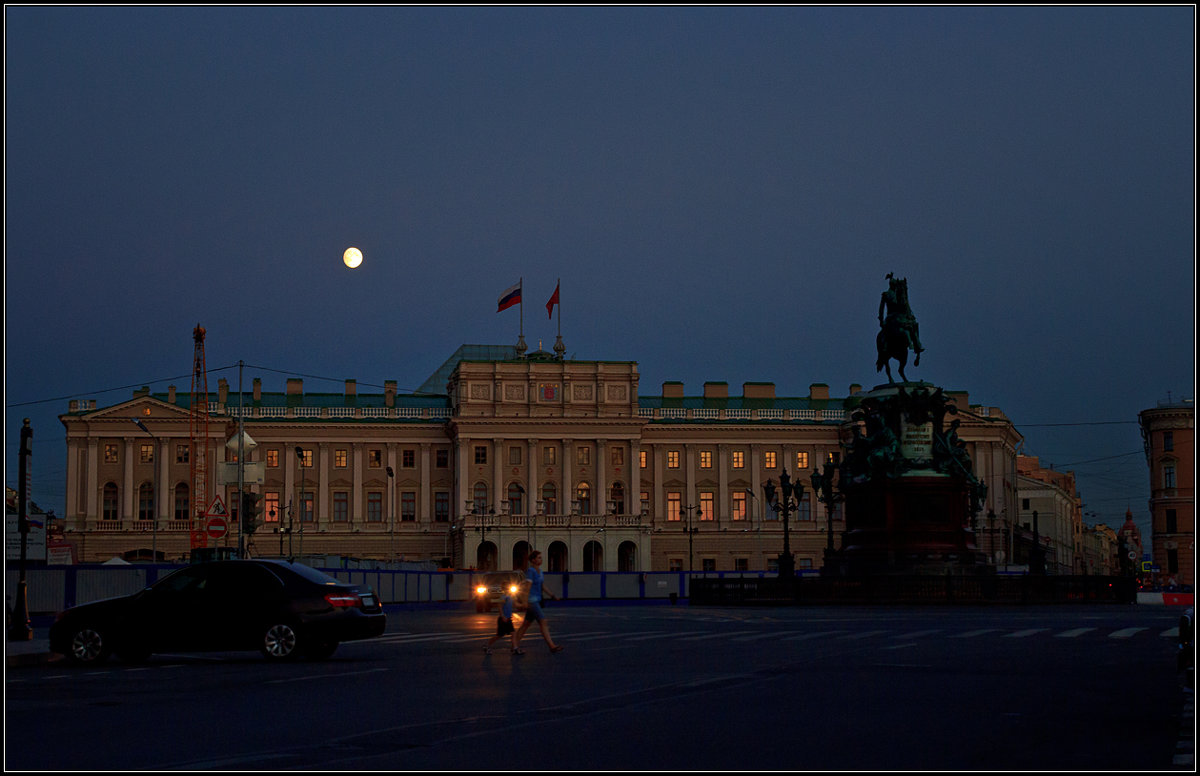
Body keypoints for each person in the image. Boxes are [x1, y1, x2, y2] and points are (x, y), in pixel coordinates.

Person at [512, 550, 564, 654]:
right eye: (539, 557)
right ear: (533, 560)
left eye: (541, 557)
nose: (541, 559)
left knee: (525, 624)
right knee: (543, 621)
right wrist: (525, 602)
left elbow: (542, 586)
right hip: (532, 601)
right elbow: (527, 587)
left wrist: (552, 595)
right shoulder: (530, 571)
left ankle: (514, 646)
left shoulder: (540, 571)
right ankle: (551, 646)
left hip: (537, 600)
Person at [483, 585, 519, 655]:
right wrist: (502, 616)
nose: (507, 590)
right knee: (499, 635)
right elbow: (499, 606)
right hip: (503, 619)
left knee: (513, 633)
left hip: (508, 619)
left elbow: (516, 604)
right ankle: (487, 646)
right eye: (506, 588)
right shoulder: (503, 597)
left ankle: (515, 649)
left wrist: (524, 605)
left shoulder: (510, 597)